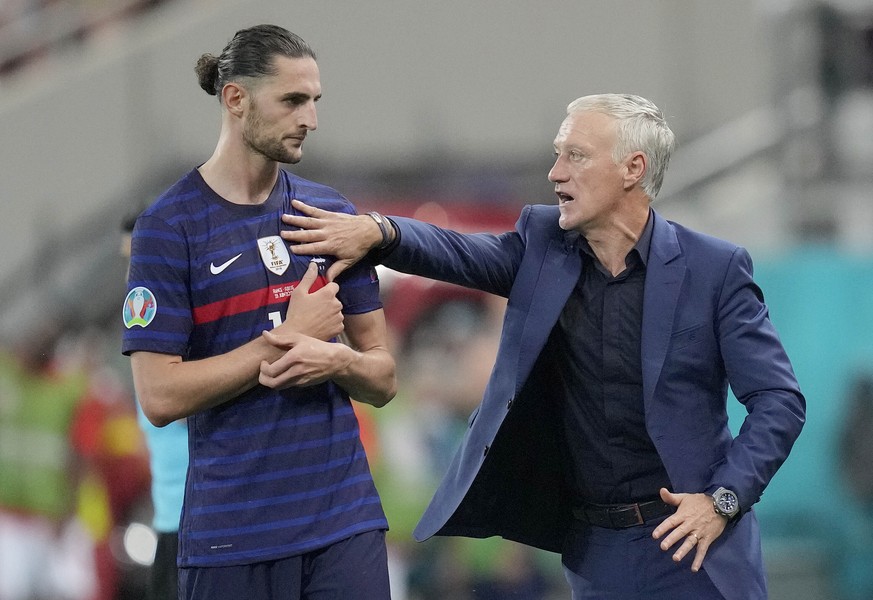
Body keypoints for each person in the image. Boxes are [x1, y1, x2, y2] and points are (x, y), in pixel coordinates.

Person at [267, 93, 806, 600]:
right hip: (598, 550)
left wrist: (722, 501)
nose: (555, 172)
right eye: (556, 155)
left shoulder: (715, 269)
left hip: (697, 547)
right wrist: (380, 231)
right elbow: (456, 251)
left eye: (575, 155)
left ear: (632, 169)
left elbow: (779, 401)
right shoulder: (543, 246)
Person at [121, 24, 396, 600]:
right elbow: (159, 396)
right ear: (236, 98)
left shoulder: (329, 214)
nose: (310, 118)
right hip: (231, 538)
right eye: (293, 100)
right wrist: (284, 339)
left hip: (343, 524)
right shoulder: (170, 228)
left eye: (315, 101)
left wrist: (331, 359)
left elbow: (383, 376)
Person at [121, 215, 188, 600]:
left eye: (137, 261)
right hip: (170, 526)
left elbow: (175, 406)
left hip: (207, 527)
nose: (130, 278)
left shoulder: (184, 328)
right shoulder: (147, 333)